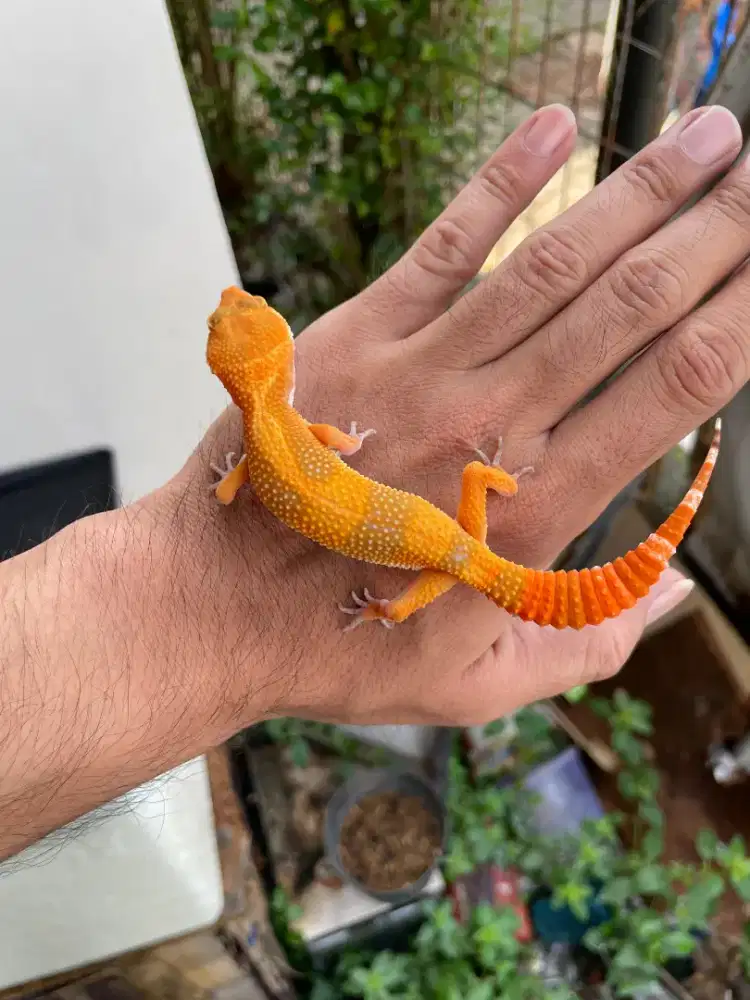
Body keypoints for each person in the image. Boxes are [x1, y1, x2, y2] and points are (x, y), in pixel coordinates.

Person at [2, 103, 749, 862]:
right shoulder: (294, 431)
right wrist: (386, 503)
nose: (237, 302)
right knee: (467, 503)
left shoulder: (265, 439)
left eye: (246, 307)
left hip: (451, 557)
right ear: (280, 357)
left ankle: (424, 576)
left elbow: (227, 495)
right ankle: (479, 515)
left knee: (434, 558)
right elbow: (310, 452)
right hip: (457, 543)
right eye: (240, 313)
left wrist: (384, 608)